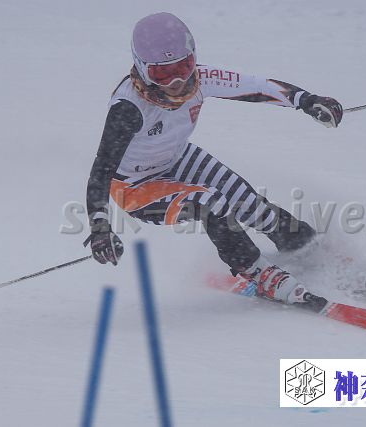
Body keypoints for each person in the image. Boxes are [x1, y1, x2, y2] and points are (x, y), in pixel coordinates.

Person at [85, 12, 343, 306]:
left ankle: (303, 246)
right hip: (135, 187)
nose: (176, 81)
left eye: (183, 67)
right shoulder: (128, 108)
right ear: (143, 69)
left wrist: (306, 100)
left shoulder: (200, 79)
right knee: (211, 203)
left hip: (177, 159)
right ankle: (257, 273)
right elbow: (101, 170)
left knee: (250, 204)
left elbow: (256, 86)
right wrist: (100, 227)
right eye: (162, 74)